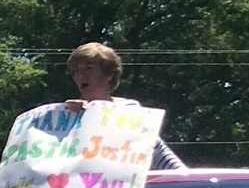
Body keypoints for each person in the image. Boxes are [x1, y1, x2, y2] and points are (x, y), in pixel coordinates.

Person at [65, 42, 186, 170]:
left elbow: (158, 154)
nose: (81, 75)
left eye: (89, 68)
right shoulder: (66, 115)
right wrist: (68, 118)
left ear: (109, 74)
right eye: (76, 71)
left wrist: (188, 182)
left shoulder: (129, 111)